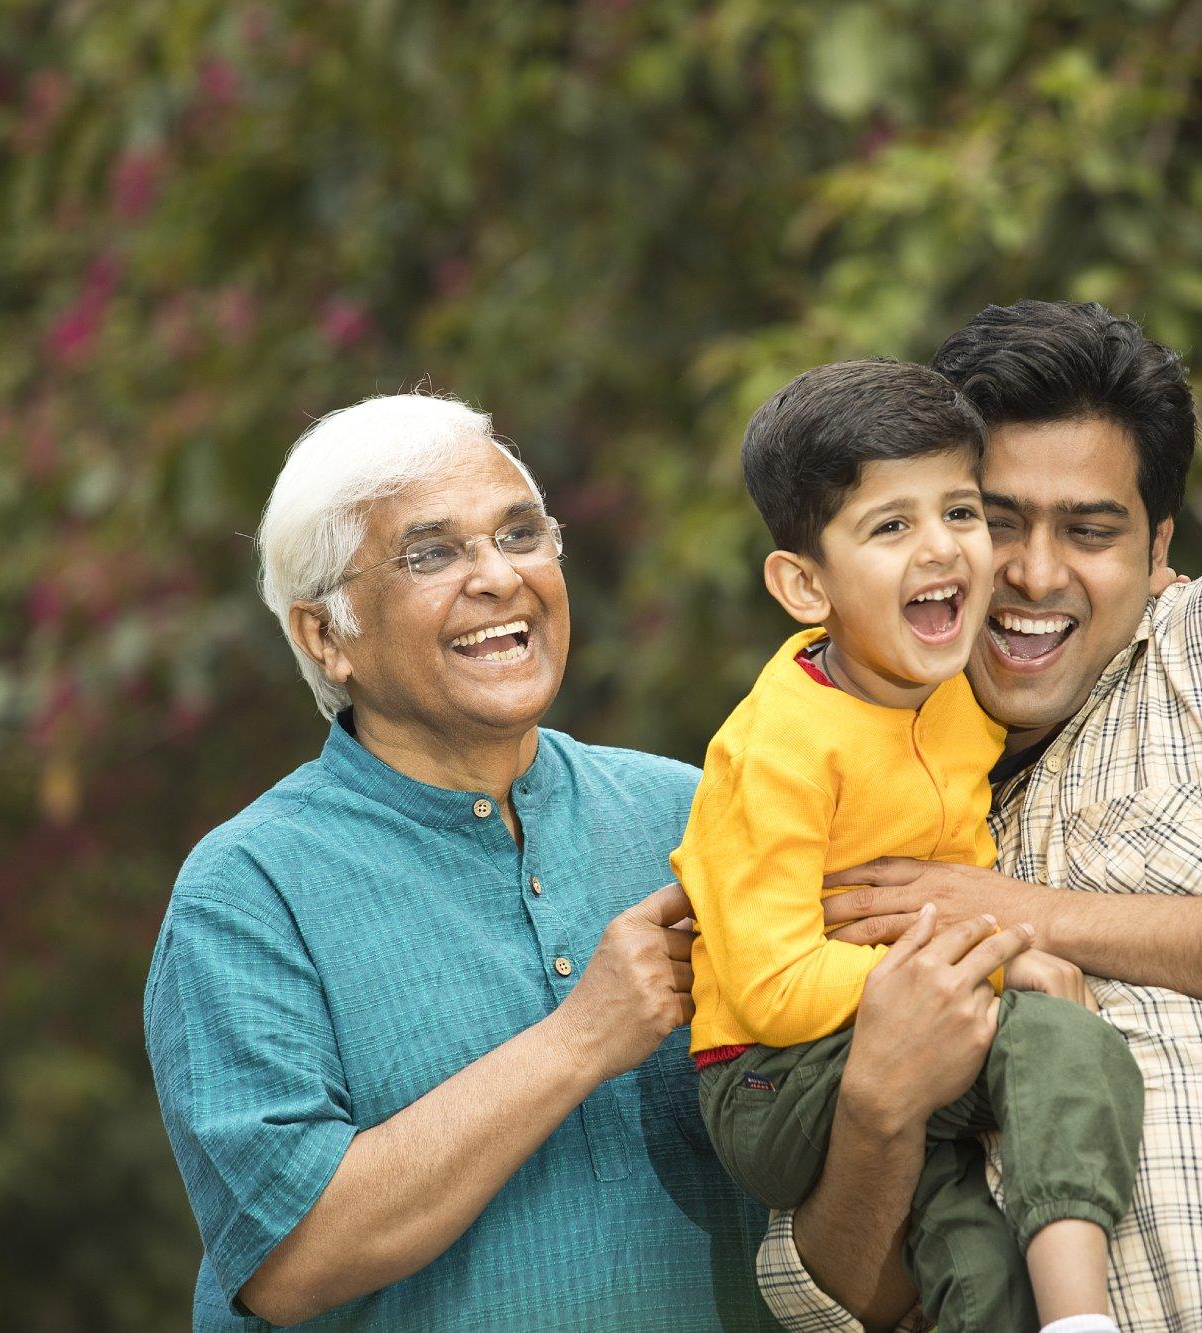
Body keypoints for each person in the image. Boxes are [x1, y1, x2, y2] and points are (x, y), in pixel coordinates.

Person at [761, 301, 1202, 1331]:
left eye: (1089, 531)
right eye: (993, 519)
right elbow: (828, 1299)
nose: (1033, 572)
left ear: (1155, 551)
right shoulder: (860, 803)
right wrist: (880, 1110)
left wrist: (1026, 915)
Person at [142, 393, 783, 1330]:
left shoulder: (688, 809)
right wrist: (579, 1039)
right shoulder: (247, 890)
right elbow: (288, 1256)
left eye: (521, 533)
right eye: (431, 553)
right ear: (326, 636)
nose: (498, 576)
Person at [675, 360, 1145, 1333]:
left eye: (961, 513)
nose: (941, 549)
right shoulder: (775, 750)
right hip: (768, 1074)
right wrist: (976, 967)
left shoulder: (952, 696)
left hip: (867, 1039)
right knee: (1060, 1034)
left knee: (972, 1249)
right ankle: (1083, 1322)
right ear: (804, 582)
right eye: (890, 527)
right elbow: (767, 987)